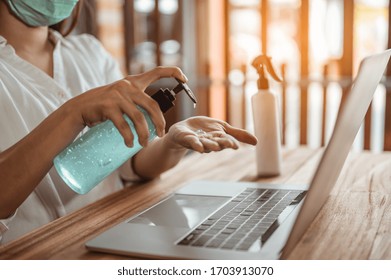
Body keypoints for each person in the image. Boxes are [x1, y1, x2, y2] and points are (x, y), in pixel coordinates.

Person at [0, 0, 257, 244]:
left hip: (116, 238)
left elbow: (132, 163)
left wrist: (171, 143)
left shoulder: (90, 52)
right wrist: (73, 113)